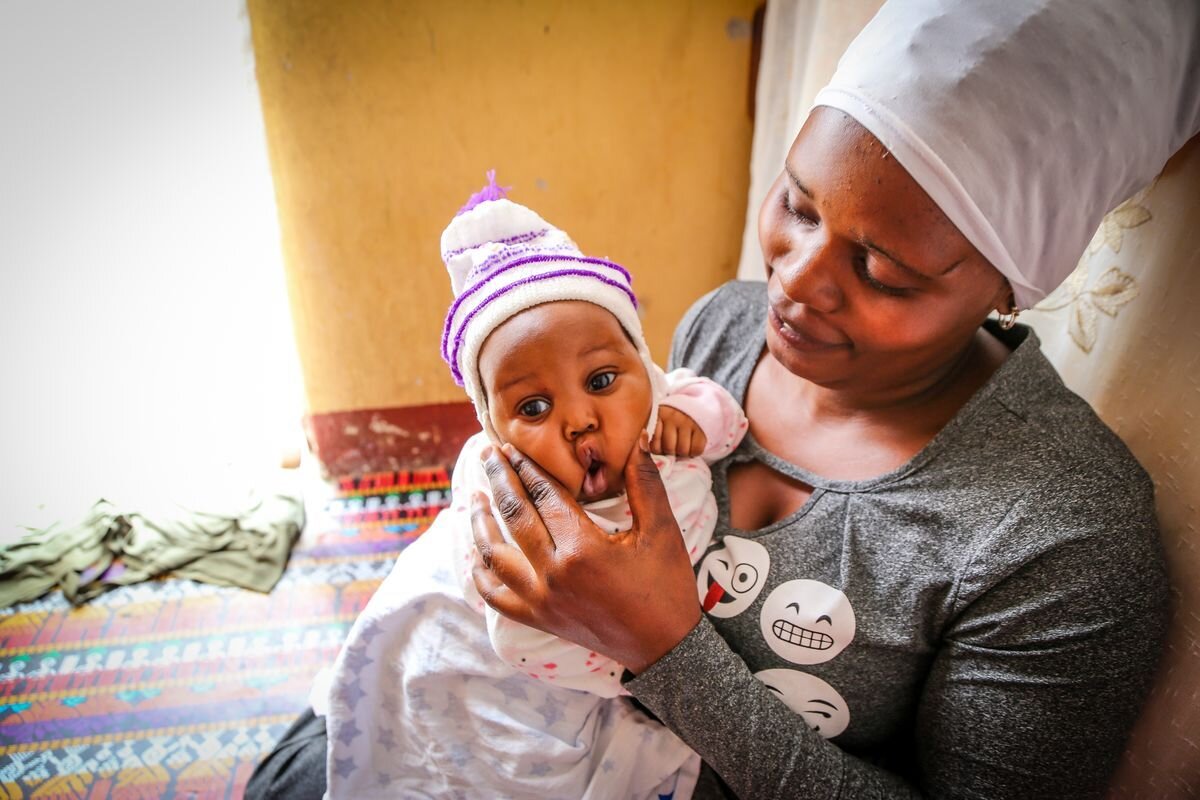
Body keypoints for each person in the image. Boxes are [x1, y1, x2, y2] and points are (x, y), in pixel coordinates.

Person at [248, 1, 1200, 797]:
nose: (795, 284)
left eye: (880, 268)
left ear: (1007, 283)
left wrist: (663, 644)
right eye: (797, 205)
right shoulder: (727, 326)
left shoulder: (1061, 537)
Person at [314, 175, 748, 798]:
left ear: (640, 364)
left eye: (601, 380)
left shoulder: (662, 405)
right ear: (492, 426)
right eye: (536, 405)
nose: (578, 420)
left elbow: (729, 417)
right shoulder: (504, 497)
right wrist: (632, 667)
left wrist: (696, 422)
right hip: (553, 672)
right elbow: (515, 630)